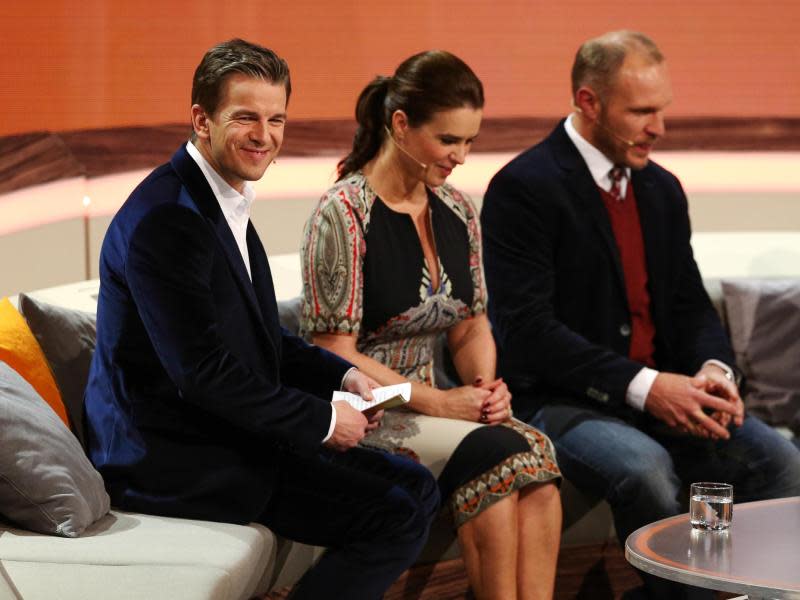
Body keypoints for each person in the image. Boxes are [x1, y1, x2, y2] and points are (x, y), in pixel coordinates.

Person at [84, 39, 440, 600]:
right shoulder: (167, 221)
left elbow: (253, 334)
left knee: (415, 488)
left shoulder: (217, 197)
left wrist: (341, 377)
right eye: (245, 117)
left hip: (224, 431)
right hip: (172, 459)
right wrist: (323, 420)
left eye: (276, 119)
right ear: (201, 119)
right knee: (393, 512)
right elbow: (201, 372)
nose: (265, 135)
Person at [480, 30, 800, 599]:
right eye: (642, 111)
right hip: (562, 399)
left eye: (662, 109)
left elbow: (687, 303)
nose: (659, 128)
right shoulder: (522, 189)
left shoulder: (662, 190)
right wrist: (648, 388)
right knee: (646, 471)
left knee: (780, 460)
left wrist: (714, 372)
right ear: (588, 102)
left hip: (665, 392)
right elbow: (528, 333)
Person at [301, 50, 562, 600]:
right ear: (400, 125)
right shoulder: (342, 214)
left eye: (469, 141)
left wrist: (484, 388)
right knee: (500, 454)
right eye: (448, 141)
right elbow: (333, 349)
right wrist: (440, 403)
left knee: (536, 451)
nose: (461, 156)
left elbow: (470, 325)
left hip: (443, 404)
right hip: (371, 412)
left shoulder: (459, 211)